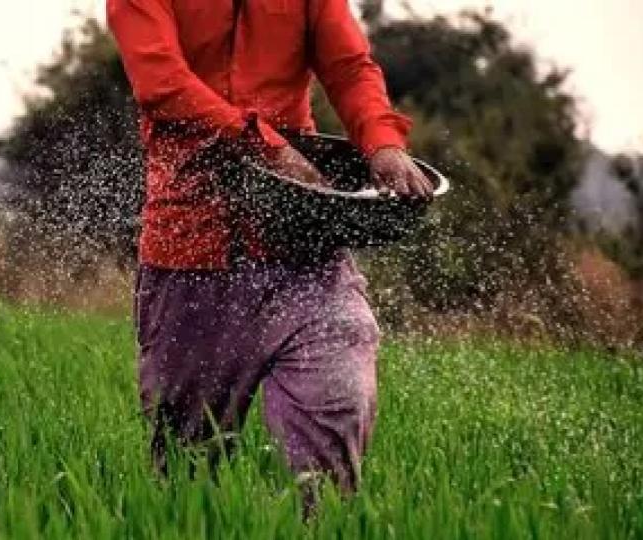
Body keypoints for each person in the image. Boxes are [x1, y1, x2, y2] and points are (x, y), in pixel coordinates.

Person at [107, 0, 432, 507]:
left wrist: (382, 143)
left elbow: (349, 68)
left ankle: (318, 523)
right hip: (191, 257)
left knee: (338, 398)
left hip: (300, 242)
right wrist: (268, 145)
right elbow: (161, 82)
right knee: (186, 471)